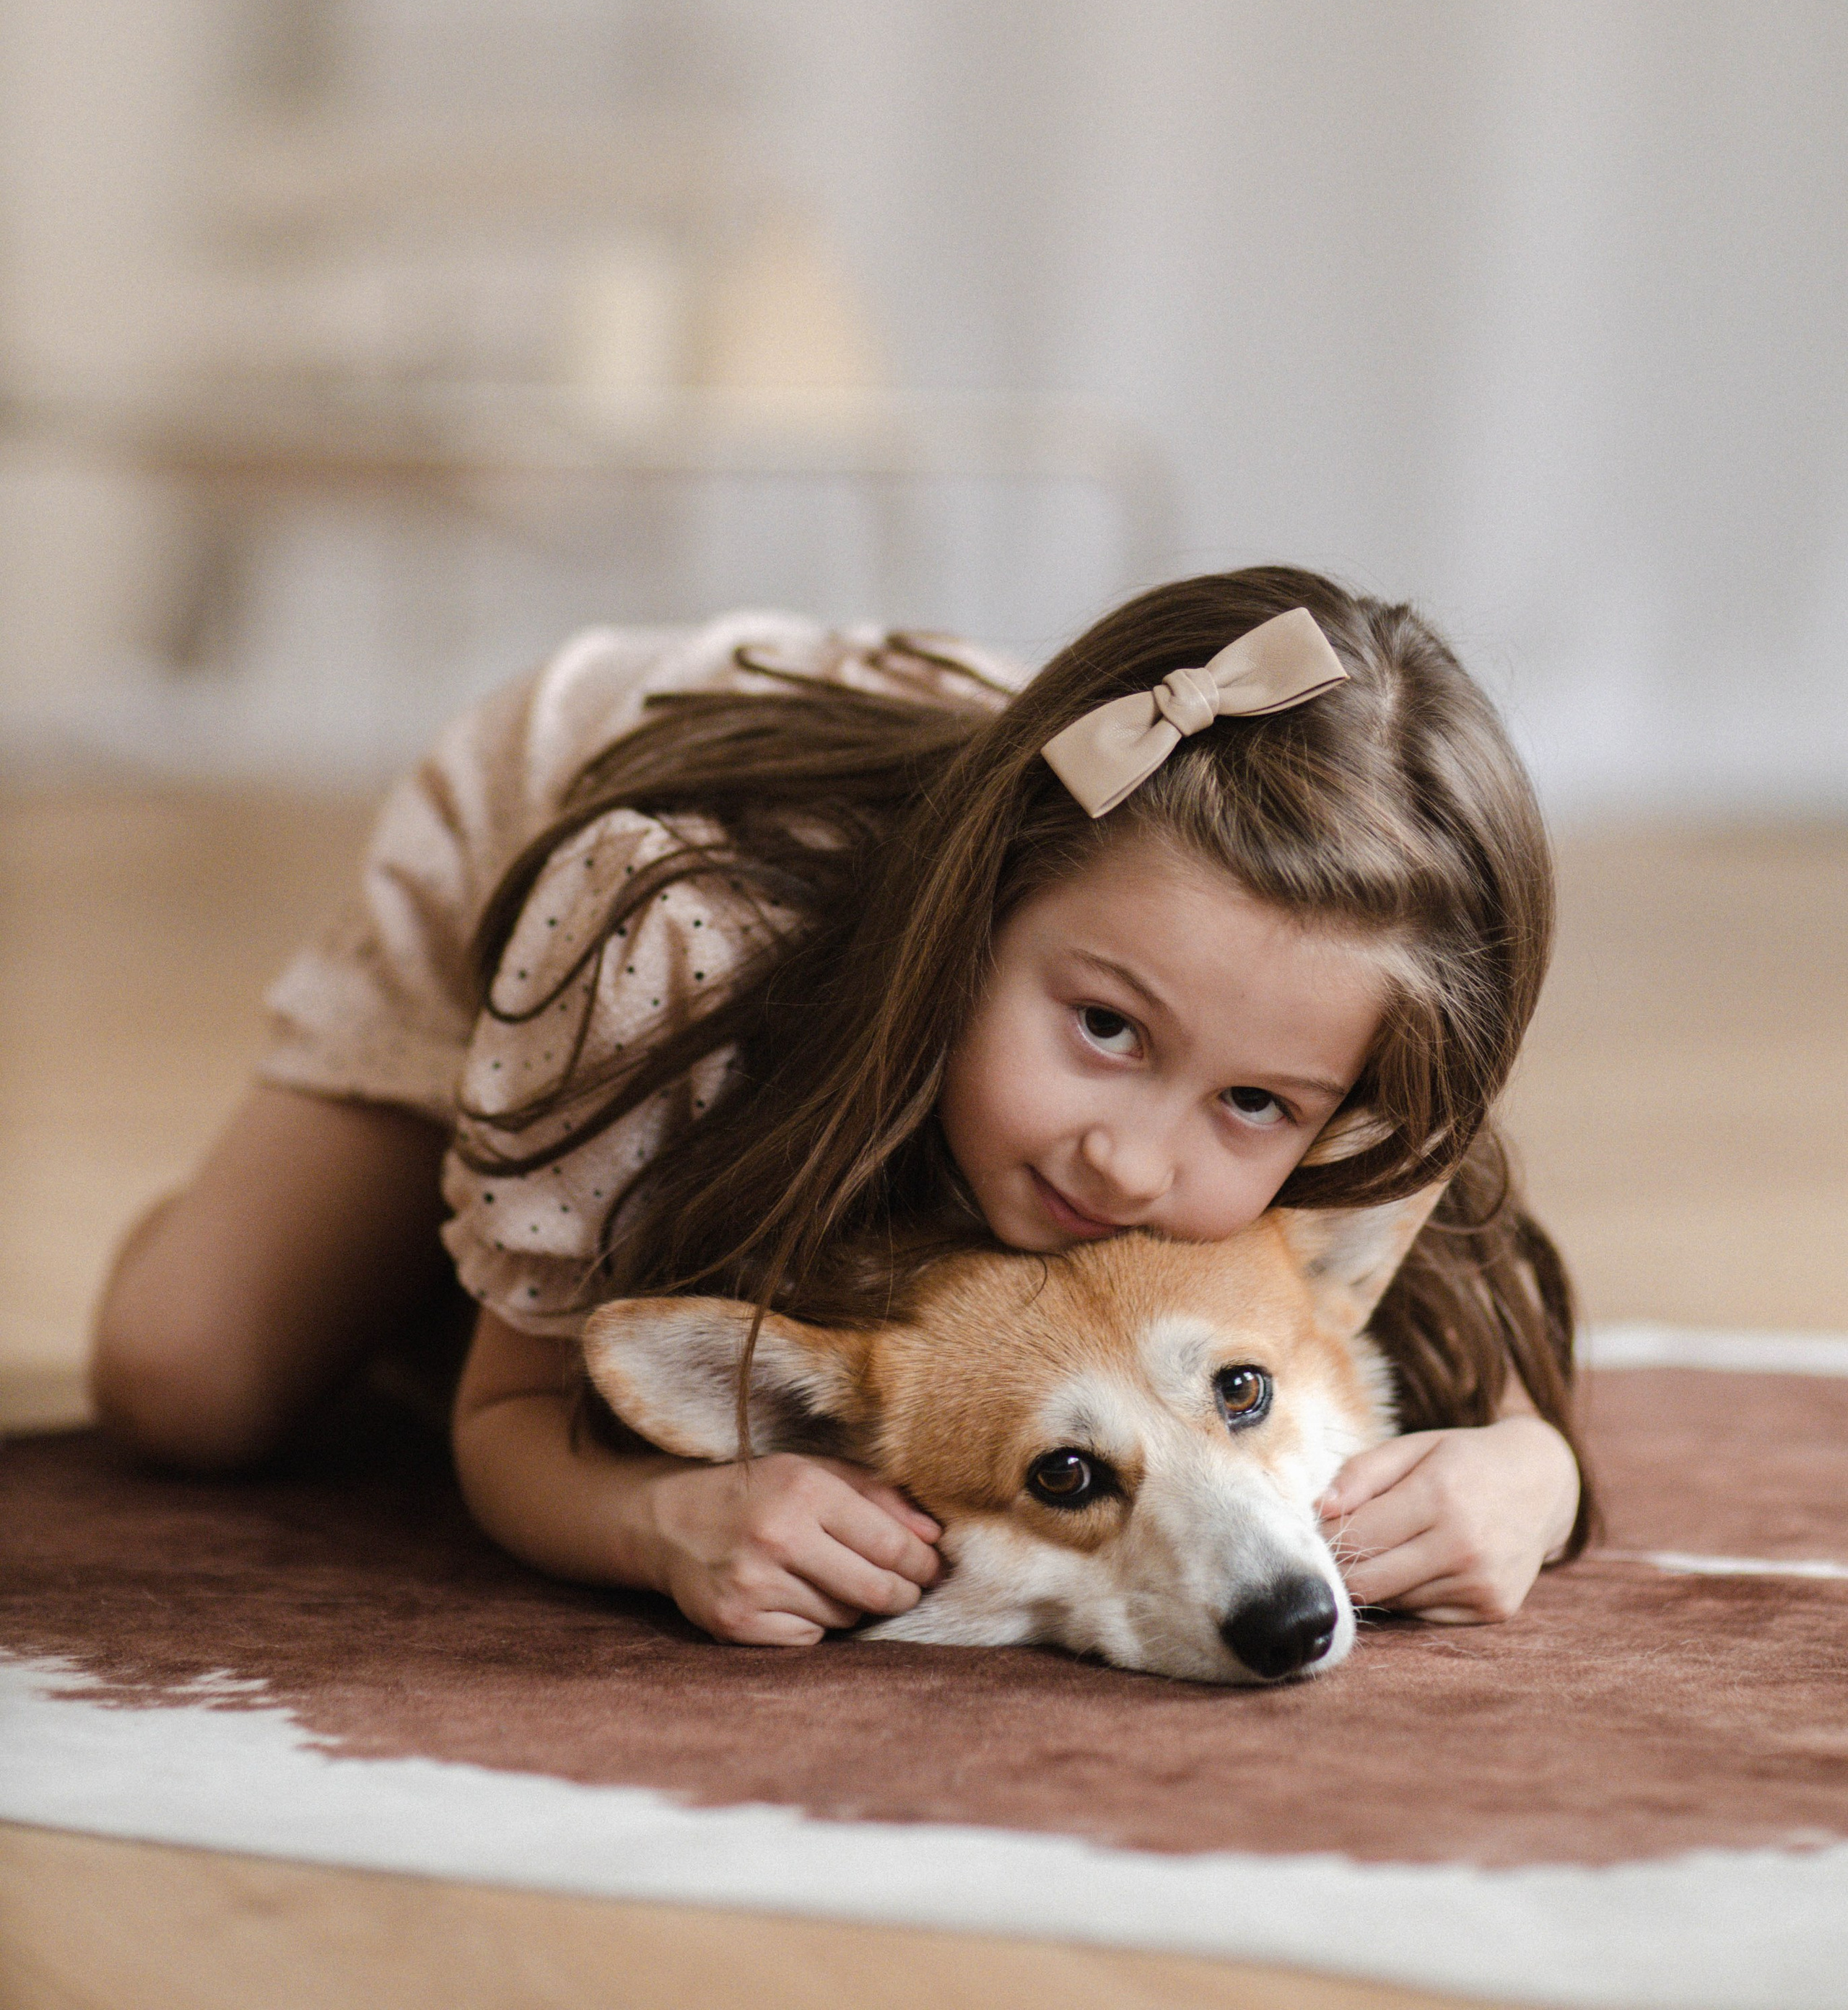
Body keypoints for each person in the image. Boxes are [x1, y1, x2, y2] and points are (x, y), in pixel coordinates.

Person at [91, 566, 1588, 1649]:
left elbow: (1472, 1318)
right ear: (988, 902)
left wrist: (1527, 1471)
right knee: (194, 1376)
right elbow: (509, 1417)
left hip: (966, 847)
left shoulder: (1323, 1004)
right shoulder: (660, 936)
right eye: (1105, 1026)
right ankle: (461, 1206)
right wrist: (659, 1519)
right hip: (580, 835)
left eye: (1252, 1101)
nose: (1126, 1157)